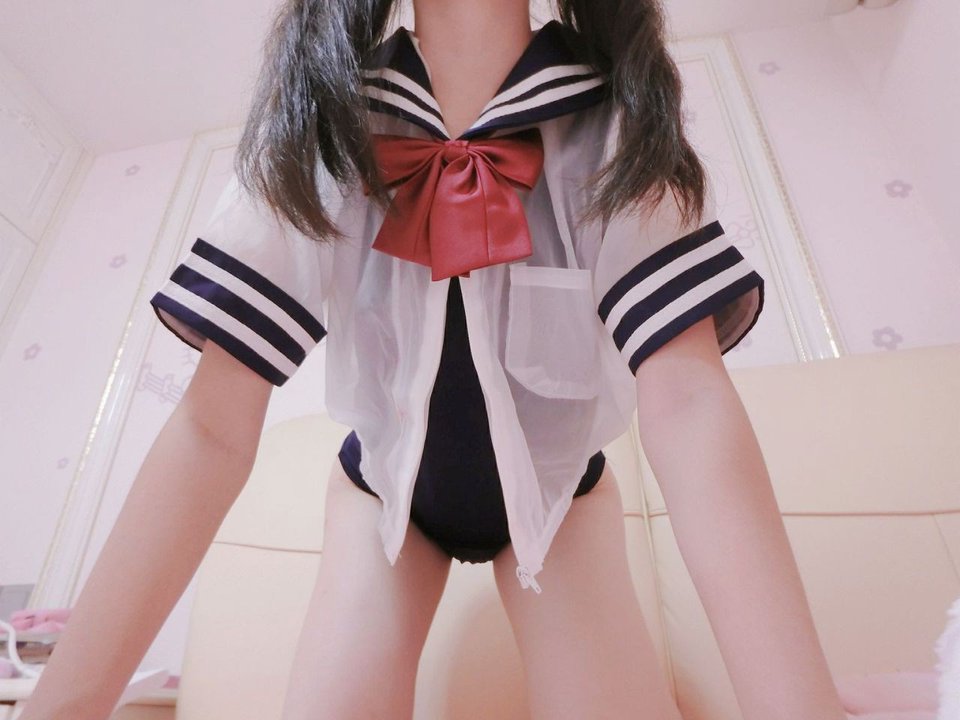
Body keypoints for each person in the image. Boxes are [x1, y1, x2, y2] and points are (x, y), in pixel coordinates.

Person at [19, 1, 851, 719]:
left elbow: (690, 400)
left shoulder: (617, 119)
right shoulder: (323, 120)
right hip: (383, 495)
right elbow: (212, 424)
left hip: (562, 496)